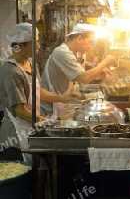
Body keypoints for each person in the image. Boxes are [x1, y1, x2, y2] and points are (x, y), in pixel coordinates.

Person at [0, 23, 80, 162]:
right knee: (22, 177)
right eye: (33, 43)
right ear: (19, 46)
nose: (37, 46)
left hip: (30, 127)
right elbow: (20, 111)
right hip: (15, 137)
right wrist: (48, 123)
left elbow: (37, 91)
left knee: (36, 172)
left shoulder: (30, 63)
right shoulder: (11, 72)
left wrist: (63, 98)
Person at [40, 23, 116, 119]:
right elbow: (84, 78)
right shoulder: (62, 52)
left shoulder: (76, 53)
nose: (91, 45)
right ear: (79, 39)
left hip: (60, 102)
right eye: (90, 42)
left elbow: (81, 66)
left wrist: (98, 68)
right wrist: (104, 63)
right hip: (48, 107)